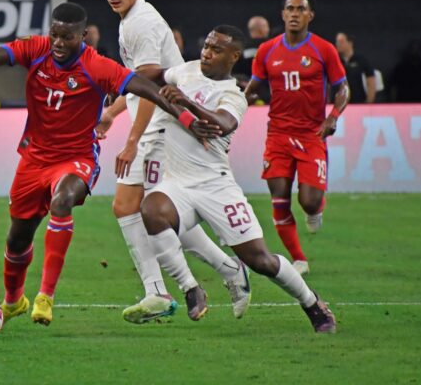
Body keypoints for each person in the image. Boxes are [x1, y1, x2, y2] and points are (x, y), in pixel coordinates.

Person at [0, 2, 213, 326]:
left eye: (67, 37)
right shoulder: (37, 48)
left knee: (62, 201)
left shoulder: (97, 66)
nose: (58, 43)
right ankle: (14, 300)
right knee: (17, 238)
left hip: (76, 158)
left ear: (83, 36)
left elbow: (148, 89)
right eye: (54, 35)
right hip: (34, 159)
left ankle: (45, 297)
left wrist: (186, 117)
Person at [142, 24, 336, 333]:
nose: (207, 52)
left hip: (216, 187)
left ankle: (312, 303)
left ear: (233, 56)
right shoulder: (186, 70)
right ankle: (191, 288)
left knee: (261, 261)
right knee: (151, 210)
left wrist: (187, 103)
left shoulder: (233, 95)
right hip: (177, 183)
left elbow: (224, 123)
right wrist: (120, 79)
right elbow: (154, 74)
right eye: (206, 45)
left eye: (216, 49)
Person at [96, 0, 251, 324]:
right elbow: (137, 84)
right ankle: (221, 272)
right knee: (136, 209)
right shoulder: (130, 20)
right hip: (156, 124)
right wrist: (113, 113)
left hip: (162, 129)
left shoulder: (142, 24)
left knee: (149, 210)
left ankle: (168, 289)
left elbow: (151, 87)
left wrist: (132, 140)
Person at [244, 0, 350, 275]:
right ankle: (299, 259)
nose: (294, 14)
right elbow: (253, 88)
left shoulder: (323, 49)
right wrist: (237, 103)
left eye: (300, 9)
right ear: (282, 14)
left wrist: (333, 116)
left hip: (311, 135)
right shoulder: (267, 50)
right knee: (279, 196)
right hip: (278, 134)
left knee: (309, 201)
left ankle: (315, 210)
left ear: (310, 15)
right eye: (290, 9)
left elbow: (342, 88)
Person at [232, 16, 271, 104]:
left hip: (245, 94)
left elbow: (233, 71)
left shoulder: (240, 48)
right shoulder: (272, 47)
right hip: (268, 94)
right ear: (262, 29)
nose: (268, 30)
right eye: (267, 27)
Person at [335, 32, 377, 103]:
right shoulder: (334, 61)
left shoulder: (361, 61)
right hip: (337, 102)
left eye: (341, 42)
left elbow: (371, 82)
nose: (338, 44)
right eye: (337, 42)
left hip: (358, 101)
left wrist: (369, 102)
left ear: (350, 43)